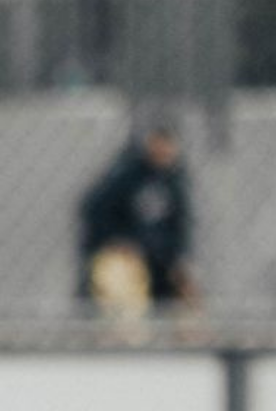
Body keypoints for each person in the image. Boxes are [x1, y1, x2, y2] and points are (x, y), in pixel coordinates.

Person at [78, 119, 197, 312]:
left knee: (187, 289)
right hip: (127, 256)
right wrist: (119, 241)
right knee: (121, 277)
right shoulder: (127, 176)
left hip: (160, 258)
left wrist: (179, 259)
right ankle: (128, 335)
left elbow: (179, 228)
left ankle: (188, 337)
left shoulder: (175, 182)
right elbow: (97, 212)